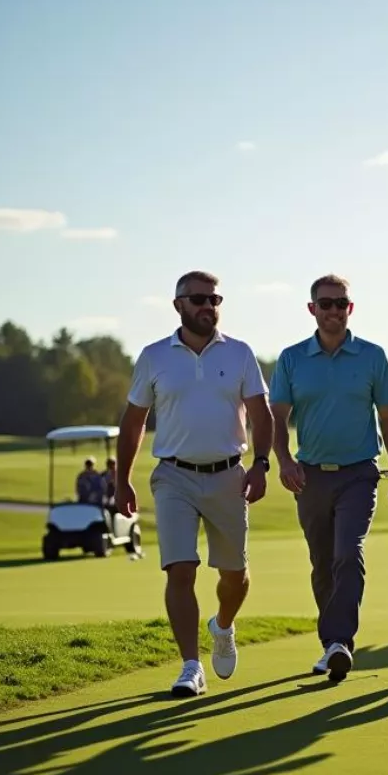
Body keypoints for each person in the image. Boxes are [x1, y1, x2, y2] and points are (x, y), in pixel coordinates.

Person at [116, 270, 272, 698]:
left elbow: (261, 415)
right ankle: (190, 666)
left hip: (228, 475)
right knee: (180, 569)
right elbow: (133, 423)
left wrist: (260, 464)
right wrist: (122, 480)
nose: (209, 306)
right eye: (199, 299)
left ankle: (222, 626)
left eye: (215, 299)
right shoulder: (153, 356)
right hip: (174, 476)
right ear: (178, 305)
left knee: (234, 574)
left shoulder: (239, 353)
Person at [270, 274, 388, 682]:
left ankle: (338, 642)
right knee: (322, 562)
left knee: (348, 551)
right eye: (325, 304)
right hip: (310, 475)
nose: (333, 310)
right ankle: (332, 645)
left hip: (359, 473)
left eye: (341, 303)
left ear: (351, 308)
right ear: (312, 309)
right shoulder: (292, 358)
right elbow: (278, 416)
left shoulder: (372, 355)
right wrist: (283, 460)